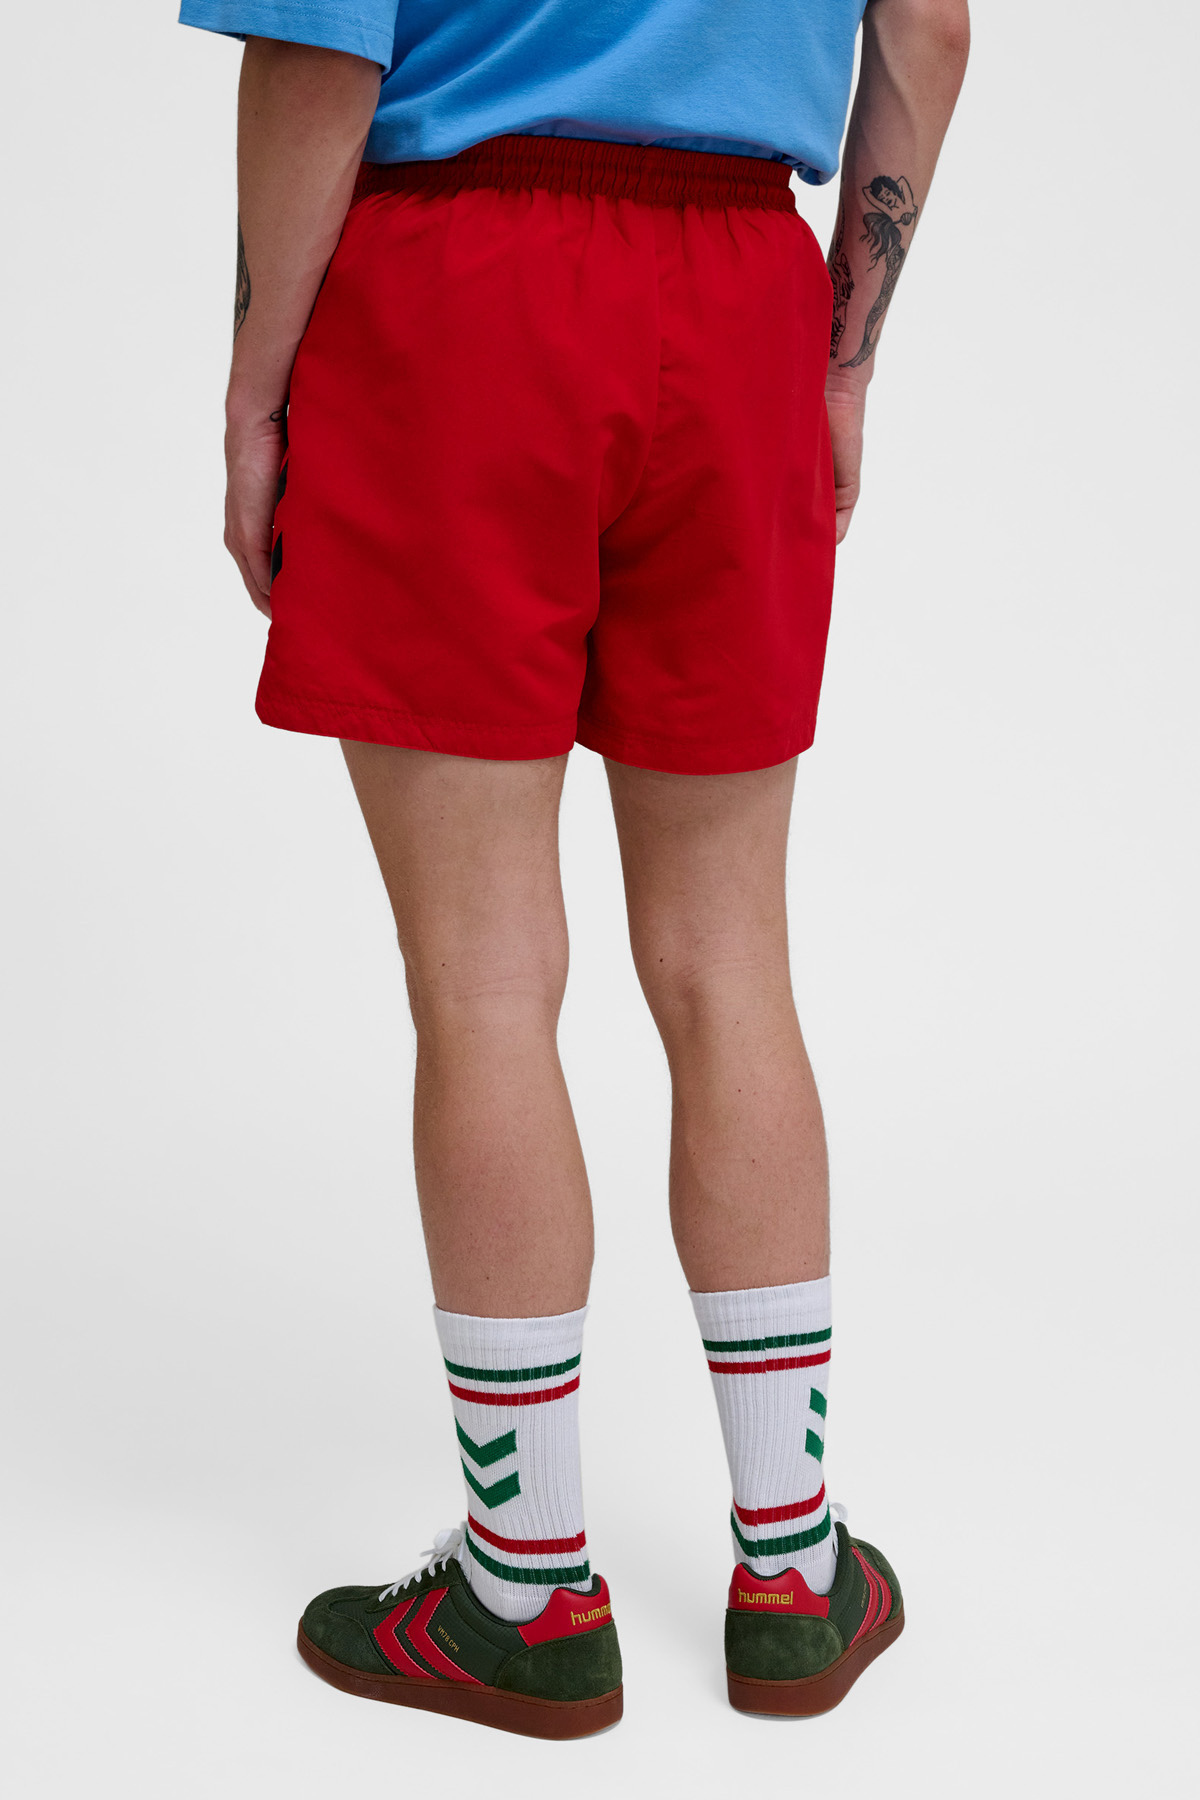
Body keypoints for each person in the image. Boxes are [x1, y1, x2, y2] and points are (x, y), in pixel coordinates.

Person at [181, 0, 969, 1739]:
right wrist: (842, 359)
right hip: (746, 292)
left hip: (460, 291)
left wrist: (253, 390)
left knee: (484, 979)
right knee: (728, 961)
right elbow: (927, 25)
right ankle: (795, 1574)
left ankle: (527, 1596)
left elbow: (319, 53)